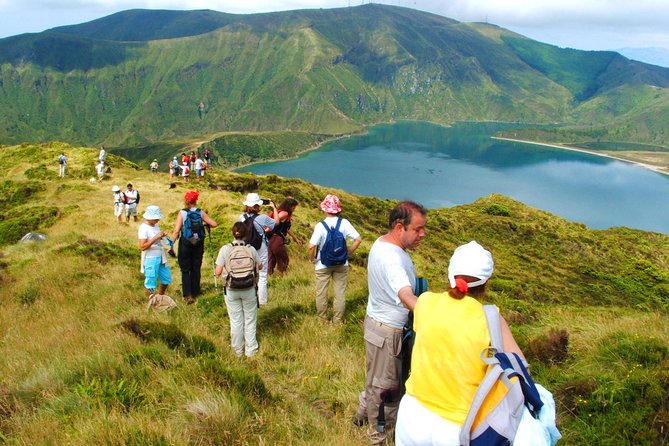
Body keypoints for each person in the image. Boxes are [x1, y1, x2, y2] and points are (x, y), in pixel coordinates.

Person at [395, 241, 527, 445]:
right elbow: (520, 366)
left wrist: (401, 286)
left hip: (412, 414)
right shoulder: (491, 318)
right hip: (456, 424)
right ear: (486, 283)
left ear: (450, 276)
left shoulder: (427, 302)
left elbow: (406, 297)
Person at [354, 201, 427, 445]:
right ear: (399, 227)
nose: (422, 234)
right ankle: (380, 436)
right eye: (417, 229)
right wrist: (438, 313)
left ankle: (362, 415)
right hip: (388, 332)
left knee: (376, 377)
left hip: (377, 325)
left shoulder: (382, 243)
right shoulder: (393, 260)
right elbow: (406, 296)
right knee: (387, 389)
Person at [307, 194, 362, 324]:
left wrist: (312, 259)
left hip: (322, 264)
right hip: (342, 263)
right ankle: (337, 321)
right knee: (340, 294)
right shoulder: (344, 223)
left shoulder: (320, 226)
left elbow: (311, 246)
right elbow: (358, 239)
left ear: (325, 209)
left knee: (322, 293)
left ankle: (322, 320)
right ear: (338, 209)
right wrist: (348, 253)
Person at [215, 222, 262, 357]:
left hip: (231, 288)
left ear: (233, 233)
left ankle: (237, 351)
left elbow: (218, 271)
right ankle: (251, 350)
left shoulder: (225, 249)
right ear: (246, 234)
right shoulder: (251, 249)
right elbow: (260, 266)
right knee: (250, 319)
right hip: (249, 288)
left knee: (235, 320)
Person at [171, 190, 218, 304]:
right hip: (198, 243)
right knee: (196, 267)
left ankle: (188, 295)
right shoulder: (200, 212)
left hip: (186, 243)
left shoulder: (182, 213)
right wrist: (205, 224)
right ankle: (196, 291)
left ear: (186, 200)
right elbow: (214, 224)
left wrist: (171, 244)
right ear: (196, 200)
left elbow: (177, 230)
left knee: (185, 269)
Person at [239, 193, 278, 306]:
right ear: (258, 205)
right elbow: (276, 223)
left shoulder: (242, 218)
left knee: (248, 272)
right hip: (260, 246)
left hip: (246, 247)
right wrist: (274, 208)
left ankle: (248, 299)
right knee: (262, 274)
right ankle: (262, 301)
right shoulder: (262, 218)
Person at [138, 205, 172, 299]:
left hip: (161, 256)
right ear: (150, 218)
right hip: (150, 257)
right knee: (151, 280)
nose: (158, 220)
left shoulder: (156, 225)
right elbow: (142, 246)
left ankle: (161, 297)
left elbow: (157, 238)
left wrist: (161, 236)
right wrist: (156, 237)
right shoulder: (143, 228)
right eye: (156, 218)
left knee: (166, 278)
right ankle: (151, 301)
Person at [268, 198, 303, 275]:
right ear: (289, 206)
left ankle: (269, 278)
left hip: (270, 238)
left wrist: (296, 239)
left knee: (271, 259)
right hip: (276, 238)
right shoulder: (285, 213)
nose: (294, 209)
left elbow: (287, 228)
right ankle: (282, 276)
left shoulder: (280, 212)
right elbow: (274, 221)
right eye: (293, 207)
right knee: (283, 259)